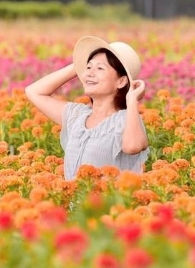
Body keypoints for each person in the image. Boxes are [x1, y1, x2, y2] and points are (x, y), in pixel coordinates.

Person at [24, 36, 149, 180]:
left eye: (100, 68)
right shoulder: (77, 116)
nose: (89, 72)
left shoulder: (125, 119)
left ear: (121, 81)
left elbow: (133, 146)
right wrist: (78, 66)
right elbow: (33, 91)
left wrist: (132, 100)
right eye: (88, 67)